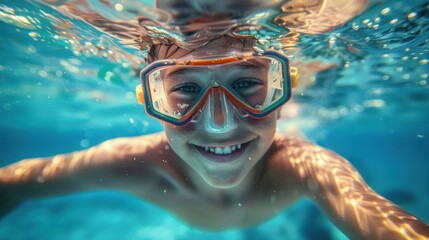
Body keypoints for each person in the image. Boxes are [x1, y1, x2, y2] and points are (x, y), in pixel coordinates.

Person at [1, 35, 429, 239]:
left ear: (282, 93)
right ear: (152, 100)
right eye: (186, 89)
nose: (221, 123)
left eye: (246, 84)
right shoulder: (130, 163)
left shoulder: (304, 166)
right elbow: (12, 184)